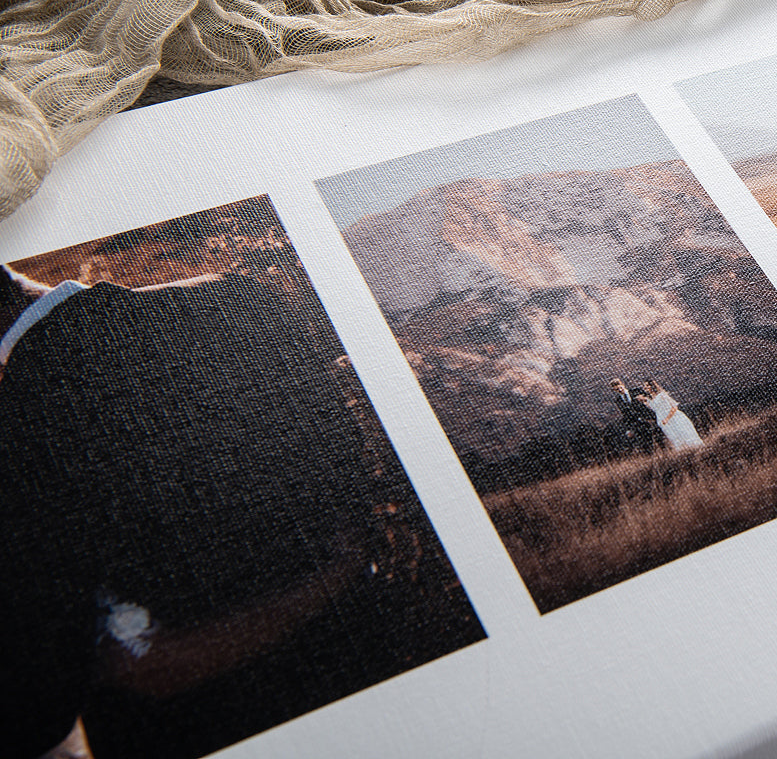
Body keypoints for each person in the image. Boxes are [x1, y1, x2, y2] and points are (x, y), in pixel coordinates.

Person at [0, 264, 483, 759]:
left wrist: (332, 577)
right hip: (394, 649)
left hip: (225, 722)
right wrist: (347, 568)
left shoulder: (21, 447)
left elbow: (105, 683)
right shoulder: (238, 295)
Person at [641, 379, 704, 451]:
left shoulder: (662, 395)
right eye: (645, 386)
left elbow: (674, 407)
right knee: (675, 438)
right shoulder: (653, 398)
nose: (646, 388)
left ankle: (697, 450)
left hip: (674, 419)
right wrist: (645, 400)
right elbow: (655, 408)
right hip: (664, 422)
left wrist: (667, 419)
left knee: (684, 434)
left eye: (647, 386)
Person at [610, 377, 665, 453]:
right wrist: (629, 428)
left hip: (650, 417)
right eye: (617, 390)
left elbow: (651, 399)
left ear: (622, 384)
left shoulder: (636, 391)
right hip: (637, 423)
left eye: (620, 388)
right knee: (646, 442)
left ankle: (666, 452)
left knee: (660, 437)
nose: (620, 390)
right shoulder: (618, 400)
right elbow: (625, 414)